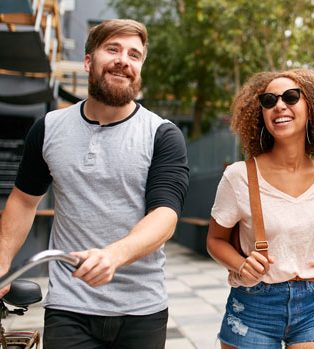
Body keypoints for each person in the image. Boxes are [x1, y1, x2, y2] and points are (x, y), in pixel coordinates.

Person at [0, 19, 189, 348]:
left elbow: (165, 215)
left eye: (134, 54)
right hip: (69, 304)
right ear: (89, 61)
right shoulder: (49, 128)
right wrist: (2, 264)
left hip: (141, 308)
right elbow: (23, 201)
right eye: (112, 49)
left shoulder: (162, 134)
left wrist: (114, 255)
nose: (123, 60)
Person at [207, 68, 314, 349]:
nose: (279, 106)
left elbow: (301, 245)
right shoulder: (240, 176)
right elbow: (215, 240)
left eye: (290, 97)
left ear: (312, 109)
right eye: (269, 101)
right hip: (254, 305)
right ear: (261, 114)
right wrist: (241, 265)